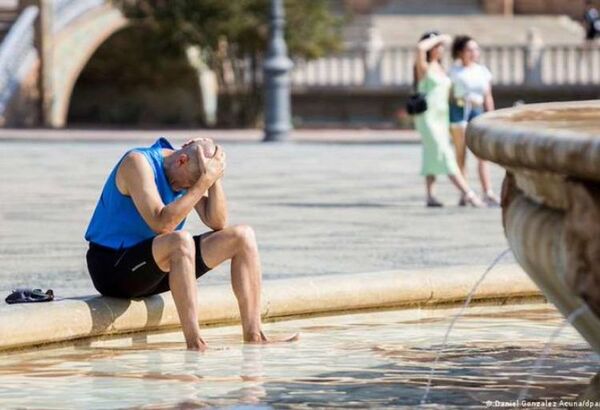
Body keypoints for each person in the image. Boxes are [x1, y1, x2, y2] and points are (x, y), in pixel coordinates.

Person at [84, 137, 297, 350]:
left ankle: (254, 335)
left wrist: (214, 177)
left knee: (243, 236)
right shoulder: (137, 163)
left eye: (192, 185)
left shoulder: (189, 172)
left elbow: (217, 221)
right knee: (181, 240)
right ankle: (195, 342)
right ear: (181, 160)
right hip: (113, 269)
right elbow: (162, 224)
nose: (183, 189)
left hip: (155, 267)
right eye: (187, 184)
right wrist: (202, 182)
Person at [413, 31, 484, 208]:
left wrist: (469, 99)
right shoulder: (423, 67)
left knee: (431, 154)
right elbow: (419, 48)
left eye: (442, 47)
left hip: (442, 117)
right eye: (437, 47)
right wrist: (438, 38)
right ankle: (469, 194)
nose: (441, 49)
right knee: (445, 154)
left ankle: (430, 196)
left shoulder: (442, 68)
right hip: (427, 118)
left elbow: (452, 93)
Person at [448, 35, 500, 207]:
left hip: (477, 111)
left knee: (481, 155)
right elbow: (448, 95)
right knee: (461, 154)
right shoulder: (454, 72)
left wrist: (491, 116)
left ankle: (488, 192)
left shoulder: (482, 71)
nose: (474, 53)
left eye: (476, 49)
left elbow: (488, 95)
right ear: (461, 52)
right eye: (470, 49)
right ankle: (465, 192)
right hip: (460, 111)